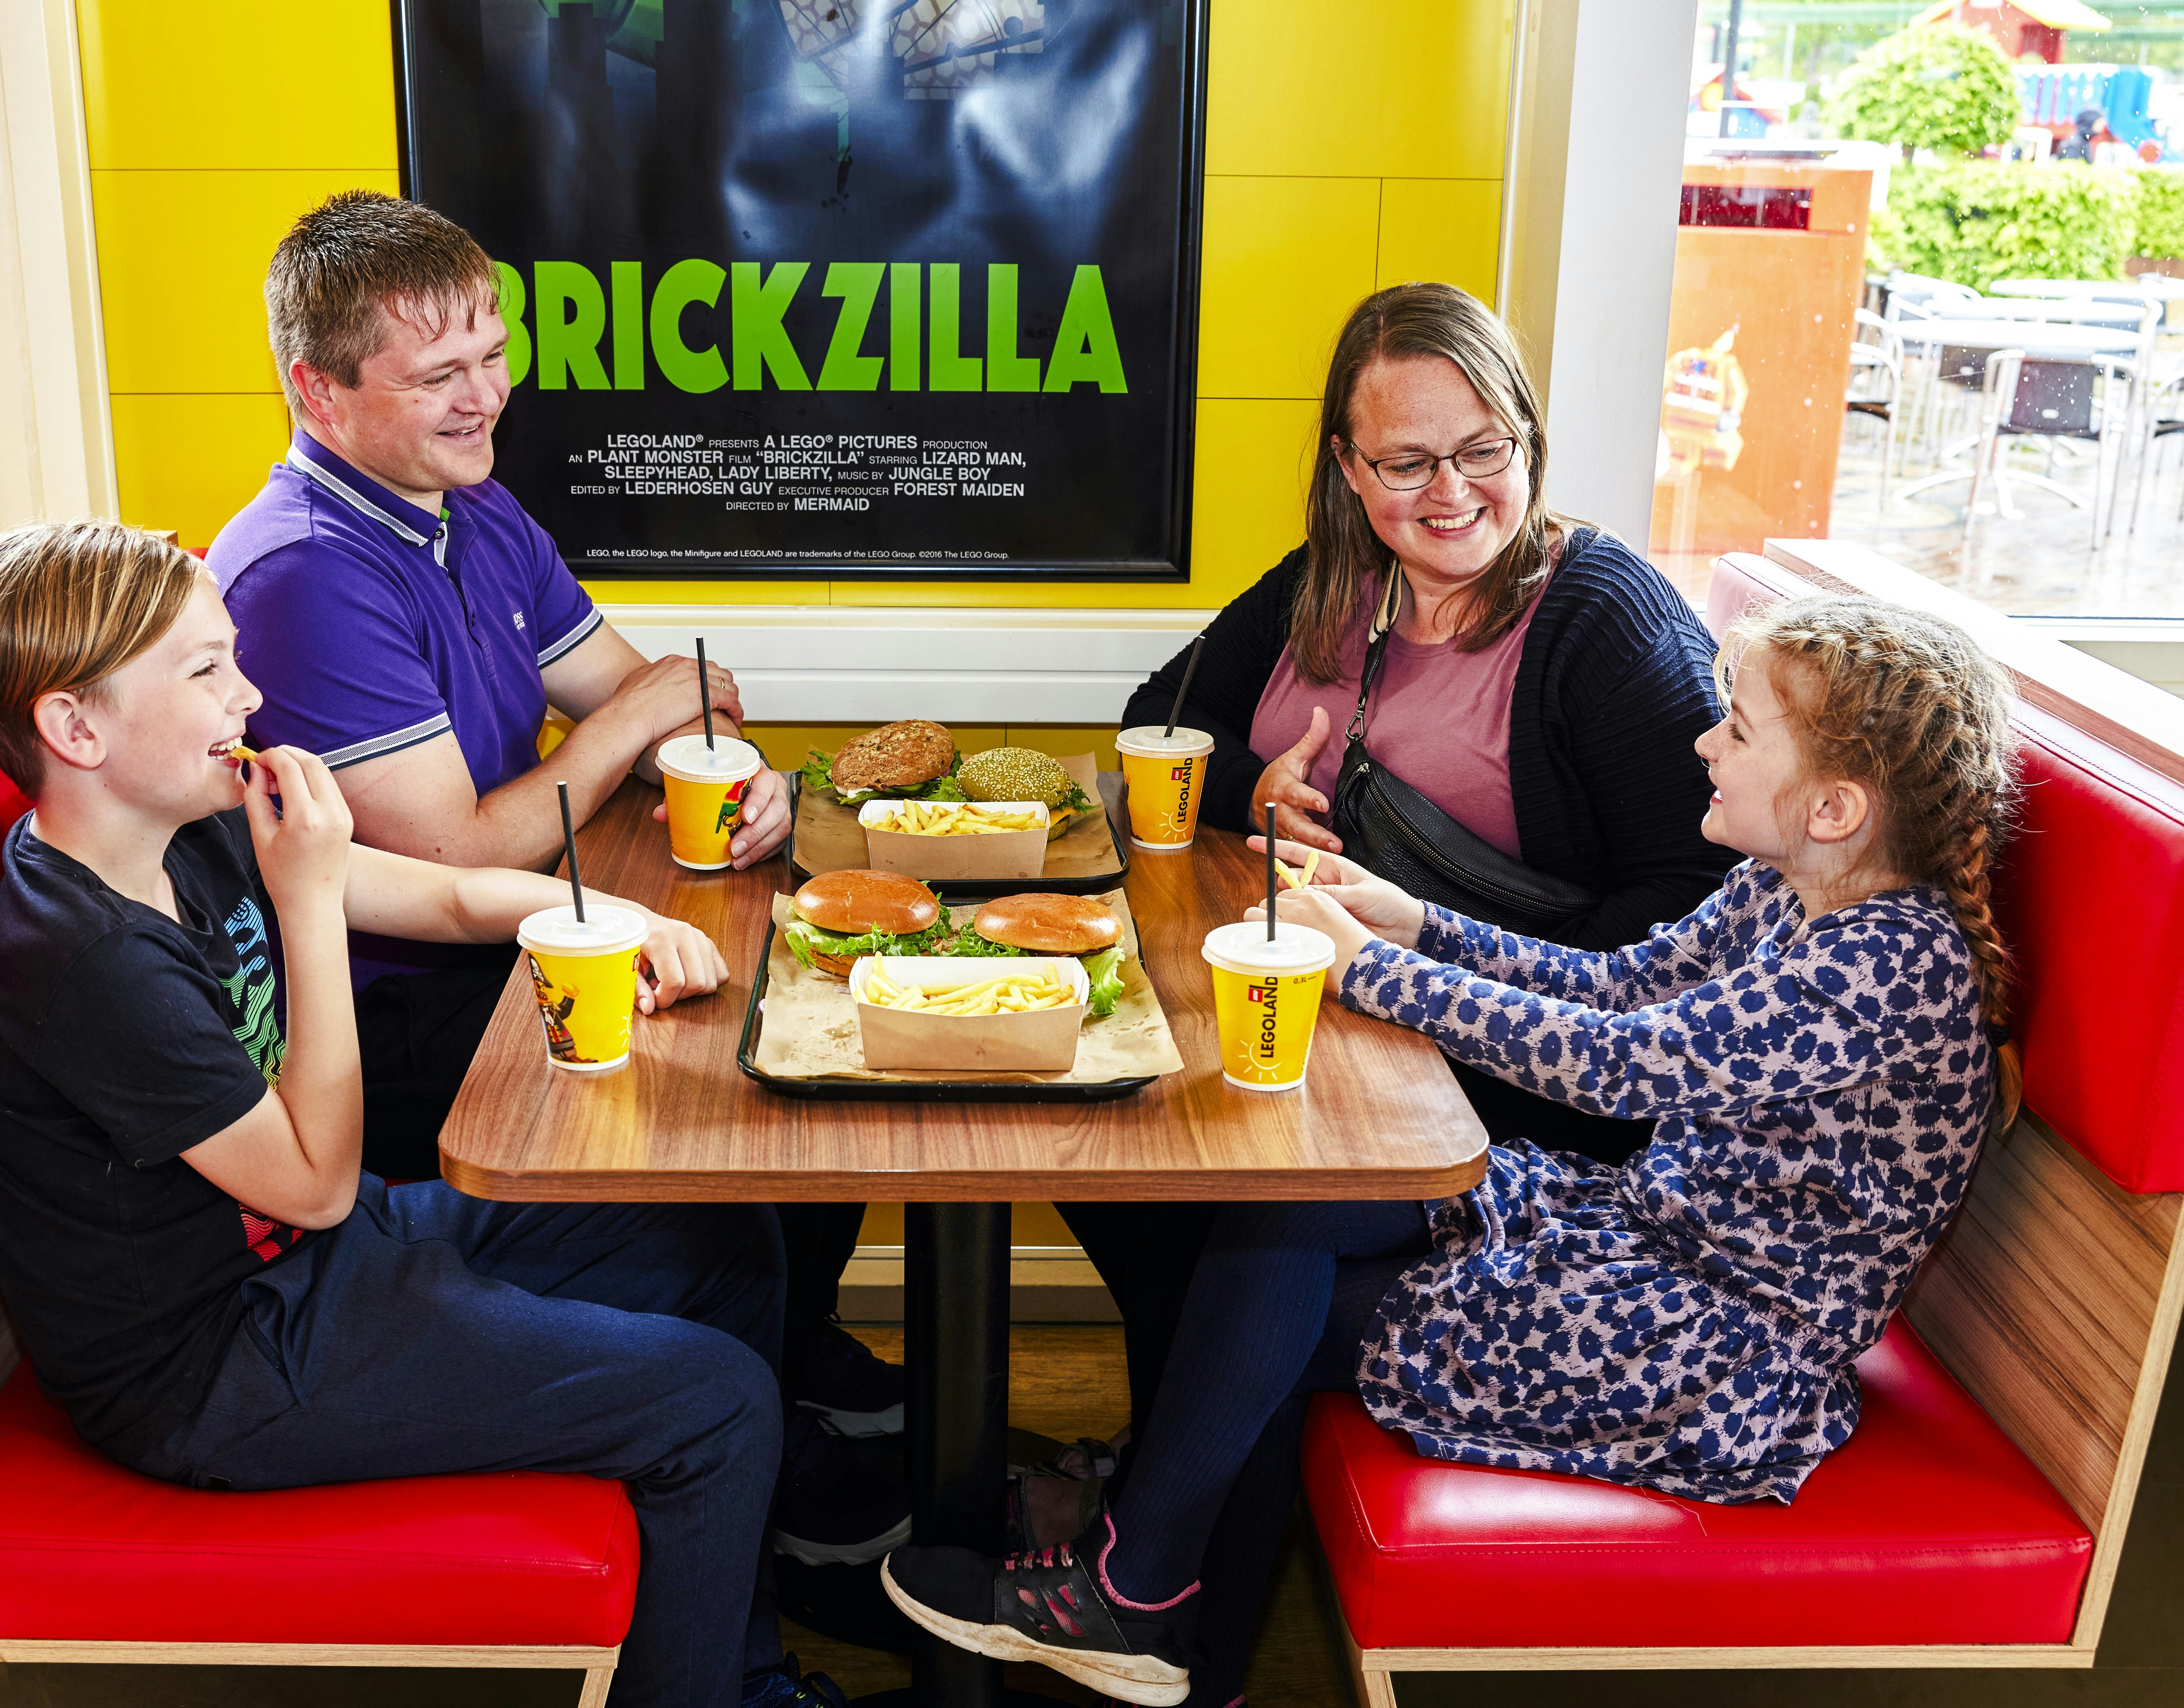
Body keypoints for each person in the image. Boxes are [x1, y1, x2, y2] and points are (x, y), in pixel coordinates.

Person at [885, 594, 2024, 1706]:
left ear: (1834, 808)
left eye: (1736, 728)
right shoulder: (1786, 889)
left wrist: (1367, 970)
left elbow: (1622, 1063)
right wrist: (1414, 921)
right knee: (1288, 1209)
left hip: (1715, 1346)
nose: (1703, 743)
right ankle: (1146, 1597)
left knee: (1274, 1301)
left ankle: (1139, 1595)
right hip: (1638, 1237)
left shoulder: (1889, 967)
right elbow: (1618, 983)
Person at [0, 520, 843, 1708]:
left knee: (724, 1242)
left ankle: (730, 1676)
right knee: (712, 1401)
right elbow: (314, 1186)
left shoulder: (191, 828)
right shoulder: (83, 962)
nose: (248, 695)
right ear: (76, 728)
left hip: (322, 1259)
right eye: (205, 670)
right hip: (220, 1366)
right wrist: (310, 901)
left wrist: (620, 922)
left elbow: (453, 895)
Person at [204, 194, 900, 1508]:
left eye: (493, 355)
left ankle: (784, 1357)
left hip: (499, 951)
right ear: (317, 389)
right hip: (397, 1021)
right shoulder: (305, 570)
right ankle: (773, 1455)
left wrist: (737, 779)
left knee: (801, 1015)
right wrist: (637, 720)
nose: (486, 398)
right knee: (761, 1082)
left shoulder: (471, 508)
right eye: (438, 376)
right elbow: (457, 846)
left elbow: (652, 699)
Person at [1065, 283, 1734, 1480]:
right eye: (1408, 463)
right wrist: (1252, 793)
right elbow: (1161, 714)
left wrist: (1429, 961)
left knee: (1216, 1195)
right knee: (1098, 1143)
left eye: (1483, 450)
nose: (1450, 493)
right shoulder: (1329, 579)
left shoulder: (1604, 616)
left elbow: (1689, 917)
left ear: (1528, 435)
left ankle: (1160, 1513)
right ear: (1348, 467)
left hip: (1516, 1078)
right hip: (1323, 1018)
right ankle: (1166, 1472)